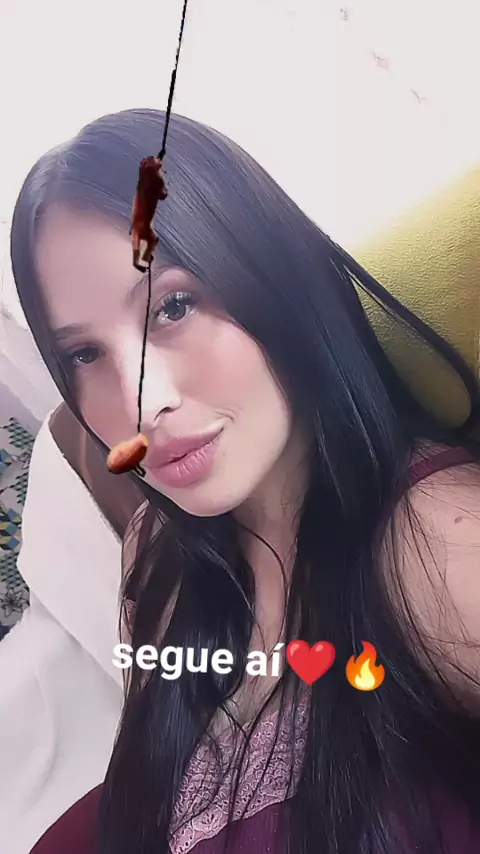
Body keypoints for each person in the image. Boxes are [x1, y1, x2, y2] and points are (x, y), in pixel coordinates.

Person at [10, 108, 480, 854]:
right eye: (84, 355)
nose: (140, 405)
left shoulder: (438, 548)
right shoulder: (154, 552)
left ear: (271, 278)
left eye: (173, 306)